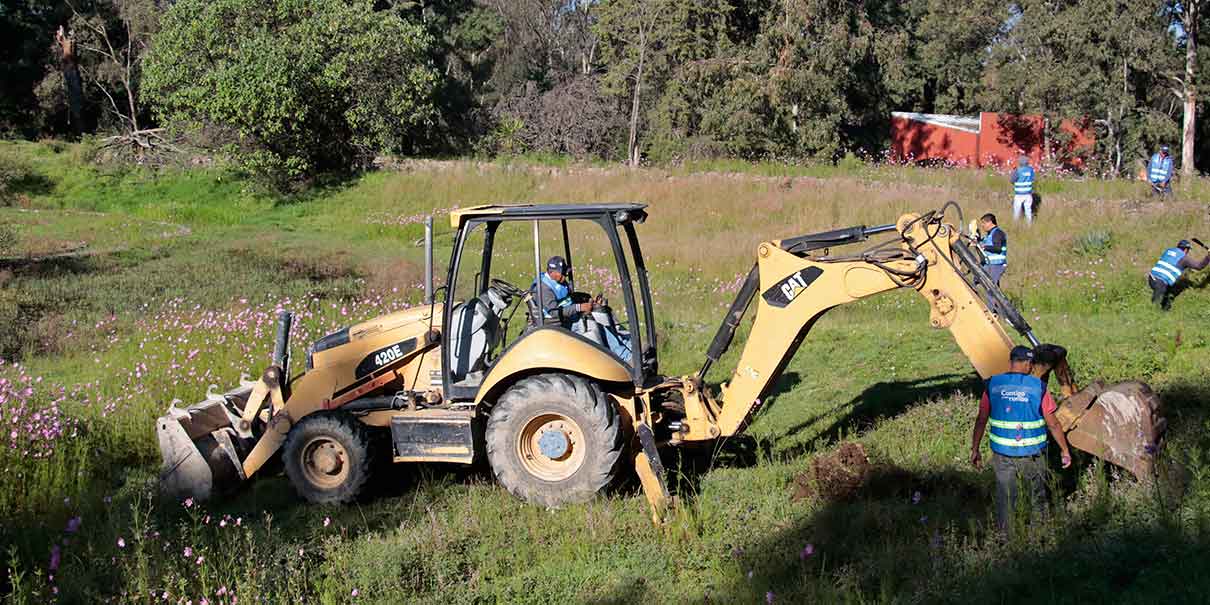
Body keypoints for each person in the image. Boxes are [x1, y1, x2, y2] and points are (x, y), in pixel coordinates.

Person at [970, 345, 1072, 531]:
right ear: (1026, 363)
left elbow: (981, 419)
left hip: (1002, 454)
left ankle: (1006, 537)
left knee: (1005, 497)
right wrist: (1065, 450)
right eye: (1030, 364)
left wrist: (975, 449)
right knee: (1036, 496)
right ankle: (1037, 534)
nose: (1032, 368)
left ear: (1011, 362)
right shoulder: (1037, 387)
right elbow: (1053, 424)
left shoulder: (992, 384)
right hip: (1032, 454)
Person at [529, 256, 633, 362]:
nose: (565, 276)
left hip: (570, 317)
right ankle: (624, 356)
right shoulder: (543, 289)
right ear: (552, 272)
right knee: (594, 323)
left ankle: (628, 346)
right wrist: (580, 307)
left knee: (601, 315)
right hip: (556, 325)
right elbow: (554, 312)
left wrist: (588, 300)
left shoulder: (559, 281)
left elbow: (570, 298)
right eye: (562, 273)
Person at [1148, 240, 1210, 310]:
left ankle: (1164, 310)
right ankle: (1152, 313)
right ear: (1186, 249)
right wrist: (1208, 257)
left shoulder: (1168, 251)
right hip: (1160, 282)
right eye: (1188, 250)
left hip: (1151, 277)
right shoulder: (1184, 258)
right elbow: (1199, 266)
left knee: (1167, 297)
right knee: (1155, 304)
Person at [1010, 156, 1035, 223]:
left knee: (1017, 211)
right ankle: (1029, 225)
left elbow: (1012, 180)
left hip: (1019, 194)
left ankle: (1015, 224)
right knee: (1028, 210)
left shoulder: (1017, 170)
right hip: (1028, 194)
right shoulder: (1030, 170)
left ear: (1019, 162)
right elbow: (1032, 179)